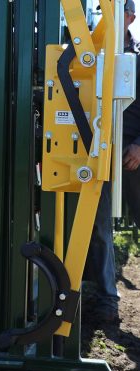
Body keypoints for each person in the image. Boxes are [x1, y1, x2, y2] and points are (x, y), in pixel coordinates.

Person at [85, 0, 140, 323]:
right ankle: (108, 297)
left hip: (133, 157)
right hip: (98, 156)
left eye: (117, 11)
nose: (109, 18)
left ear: (130, 17)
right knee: (101, 227)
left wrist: (138, 145)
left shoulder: (138, 58)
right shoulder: (87, 56)